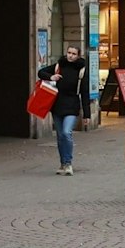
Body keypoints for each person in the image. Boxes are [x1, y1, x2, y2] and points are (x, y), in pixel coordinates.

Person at [38, 45, 91, 175]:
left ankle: (68, 163)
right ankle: (62, 163)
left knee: (67, 133)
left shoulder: (81, 70)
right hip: (57, 106)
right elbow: (41, 72)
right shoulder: (58, 66)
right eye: (69, 52)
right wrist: (51, 77)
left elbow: (85, 93)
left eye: (73, 53)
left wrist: (87, 115)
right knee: (60, 136)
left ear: (78, 55)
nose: (70, 55)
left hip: (72, 106)